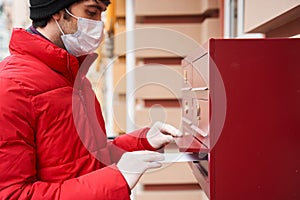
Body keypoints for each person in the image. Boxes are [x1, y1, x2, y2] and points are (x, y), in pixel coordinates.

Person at [0, 0, 182, 199]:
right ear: (57, 12)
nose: (99, 24)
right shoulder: (11, 87)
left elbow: (90, 158)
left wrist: (142, 141)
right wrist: (118, 178)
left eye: (102, 14)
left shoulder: (75, 79)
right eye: (92, 12)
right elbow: (13, 194)